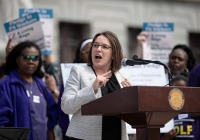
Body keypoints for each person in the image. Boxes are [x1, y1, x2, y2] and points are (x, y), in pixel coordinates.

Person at [61, 31, 132, 140]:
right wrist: (91, 89)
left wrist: (130, 98)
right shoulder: (79, 71)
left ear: (113, 54)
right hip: (85, 137)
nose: (98, 49)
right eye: (95, 45)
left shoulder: (122, 75)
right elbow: (66, 107)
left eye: (104, 46)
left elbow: (129, 114)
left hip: (116, 135)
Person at [0, 41, 58, 140]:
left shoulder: (42, 86)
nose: (31, 61)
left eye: (35, 58)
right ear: (17, 59)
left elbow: (52, 118)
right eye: (26, 57)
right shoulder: (6, 84)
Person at [58, 38, 92, 140]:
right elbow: (63, 110)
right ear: (80, 55)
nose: (91, 55)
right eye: (87, 52)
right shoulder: (72, 76)